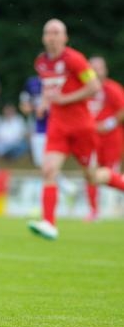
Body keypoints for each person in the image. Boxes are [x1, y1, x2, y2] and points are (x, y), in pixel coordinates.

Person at [28, 19, 124, 240]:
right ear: (43, 38)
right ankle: (49, 224)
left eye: (56, 33)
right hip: (58, 127)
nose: (51, 37)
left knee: (91, 177)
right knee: (48, 170)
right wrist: (44, 103)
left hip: (82, 127)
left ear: (65, 37)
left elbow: (94, 86)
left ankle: (118, 180)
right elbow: (48, 88)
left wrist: (64, 99)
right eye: (48, 33)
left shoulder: (76, 60)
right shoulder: (41, 62)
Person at [19, 76, 78, 200]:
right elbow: (24, 106)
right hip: (39, 130)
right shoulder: (31, 83)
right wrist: (36, 108)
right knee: (42, 164)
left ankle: (62, 191)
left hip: (58, 129)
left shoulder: (61, 81)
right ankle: (64, 187)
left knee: (50, 166)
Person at [86, 56, 124, 221]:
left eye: (99, 67)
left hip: (111, 139)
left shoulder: (113, 88)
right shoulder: (84, 89)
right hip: (90, 139)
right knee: (90, 173)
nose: (95, 71)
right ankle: (94, 211)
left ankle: (115, 209)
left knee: (110, 174)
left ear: (105, 70)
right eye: (92, 67)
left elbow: (122, 111)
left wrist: (107, 124)